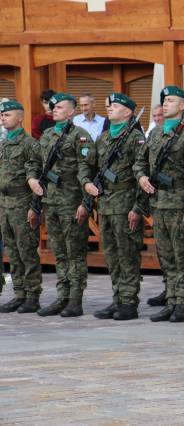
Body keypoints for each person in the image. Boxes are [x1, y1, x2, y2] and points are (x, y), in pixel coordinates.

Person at [134, 86, 184, 322]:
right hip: (159, 204)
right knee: (165, 256)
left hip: (179, 204)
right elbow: (140, 162)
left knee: (182, 256)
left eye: (171, 100)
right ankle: (171, 299)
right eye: (164, 100)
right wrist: (141, 177)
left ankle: (182, 303)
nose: (165, 104)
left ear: (182, 106)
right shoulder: (155, 133)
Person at [80, 93, 148, 321]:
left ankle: (129, 302)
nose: (110, 108)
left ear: (128, 112)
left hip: (126, 203)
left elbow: (142, 174)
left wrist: (138, 208)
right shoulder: (103, 138)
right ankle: (118, 297)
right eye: (109, 105)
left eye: (116, 105)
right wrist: (87, 183)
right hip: (107, 204)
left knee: (127, 254)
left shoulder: (135, 138)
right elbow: (87, 166)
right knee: (111, 254)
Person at [26, 93, 92, 317]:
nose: (55, 109)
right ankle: (62, 295)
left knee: (74, 252)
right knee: (59, 252)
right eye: (53, 107)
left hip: (71, 202)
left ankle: (75, 298)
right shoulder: (46, 135)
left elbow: (87, 172)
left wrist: (85, 203)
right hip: (50, 202)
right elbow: (33, 162)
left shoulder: (80, 137)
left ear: (72, 111)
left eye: (60, 107)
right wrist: (32, 179)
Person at [0, 101, 42, 314]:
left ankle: (33, 295)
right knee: (12, 252)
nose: (3, 118)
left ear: (19, 118)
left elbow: (35, 175)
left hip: (22, 202)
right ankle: (19, 293)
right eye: (1, 115)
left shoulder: (29, 144)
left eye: (7, 114)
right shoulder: (3, 143)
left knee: (26, 251)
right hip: (4, 204)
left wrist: (34, 207)